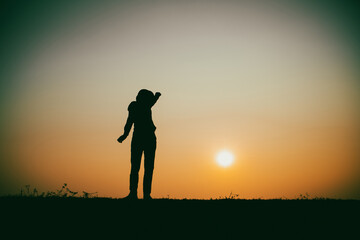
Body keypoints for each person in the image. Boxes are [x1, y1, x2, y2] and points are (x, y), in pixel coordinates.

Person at [117, 89, 161, 200]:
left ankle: (144, 195)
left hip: (145, 138)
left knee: (146, 168)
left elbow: (129, 122)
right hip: (142, 138)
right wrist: (124, 135)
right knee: (138, 167)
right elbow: (129, 122)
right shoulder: (136, 106)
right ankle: (135, 194)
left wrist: (124, 135)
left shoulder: (140, 106)